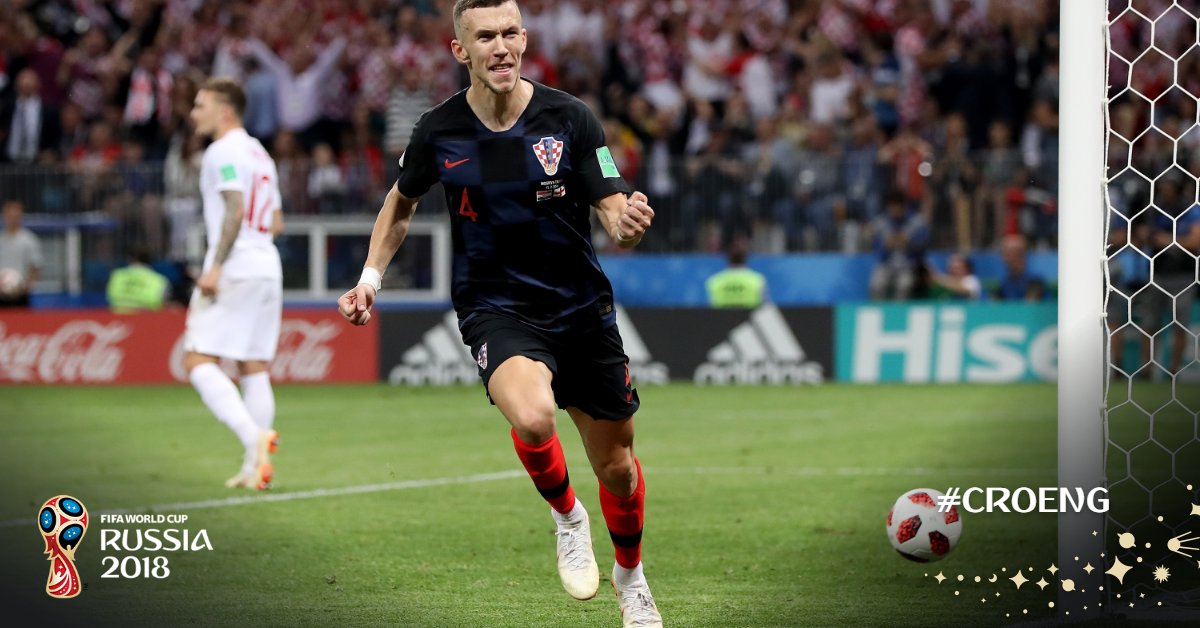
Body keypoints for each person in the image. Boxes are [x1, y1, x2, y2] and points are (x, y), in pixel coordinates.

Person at [336, 2, 662, 626]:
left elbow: (610, 198)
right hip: (496, 307)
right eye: (485, 36)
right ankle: (568, 517)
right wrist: (370, 279)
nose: (501, 46)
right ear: (461, 50)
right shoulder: (439, 130)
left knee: (618, 470)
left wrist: (625, 221)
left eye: (510, 32)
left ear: (525, 39)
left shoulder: (571, 118)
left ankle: (631, 576)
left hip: (581, 310)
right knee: (534, 418)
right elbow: (400, 203)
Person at [184, 77, 285, 491]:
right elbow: (275, 221)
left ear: (224, 111)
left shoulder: (221, 151)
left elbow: (235, 208)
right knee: (253, 366)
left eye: (200, 105)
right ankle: (253, 468)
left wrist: (215, 267)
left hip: (235, 267)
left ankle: (252, 437)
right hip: (266, 265)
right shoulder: (260, 153)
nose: (193, 113)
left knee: (196, 360)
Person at [0, 199, 42, 308]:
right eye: (10, 214)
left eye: (16, 214)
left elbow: (35, 267)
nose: (13, 218)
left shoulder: (29, 239)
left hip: (20, 295)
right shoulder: (1, 239)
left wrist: (25, 288)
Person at [107, 248, 170, 313]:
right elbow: (164, 303)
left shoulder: (117, 275)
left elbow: (109, 296)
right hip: (147, 316)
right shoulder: (160, 279)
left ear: (130, 259)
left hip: (118, 314)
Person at [706, 242, 767, 308]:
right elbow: (764, 305)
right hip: (749, 314)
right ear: (745, 258)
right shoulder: (757, 280)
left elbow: (711, 305)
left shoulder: (714, 281)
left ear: (728, 259)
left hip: (722, 314)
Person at [992, 234, 1045, 301]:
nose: (1003, 258)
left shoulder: (1035, 283)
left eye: (1007, 253)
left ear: (1020, 255)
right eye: (1003, 254)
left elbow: (1029, 304)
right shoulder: (1003, 284)